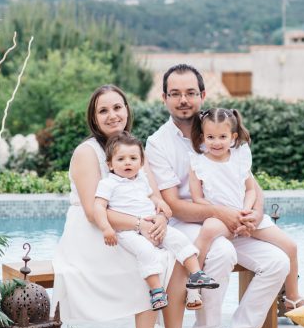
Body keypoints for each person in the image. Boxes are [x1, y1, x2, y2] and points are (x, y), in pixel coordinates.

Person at [145, 64, 290, 328]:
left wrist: (255, 212)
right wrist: (220, 213)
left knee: (278, 261)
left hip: (233, 219)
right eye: (175, 94)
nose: (183, 99)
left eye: (190, 93)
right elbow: (174, 204)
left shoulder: (220, 128)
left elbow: (249, 182)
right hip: (189, 225)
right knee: (222, 253)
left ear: (202, 94)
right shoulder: (158, 143)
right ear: (164, 98)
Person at [52, 84, 195, 328]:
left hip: (133, 228)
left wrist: (159, 219)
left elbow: (157, 198)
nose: (112, 115)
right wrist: (141, 225)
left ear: (127, 110)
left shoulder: (133, 148)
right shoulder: (87, 152)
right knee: (146, 262)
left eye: (117, 107)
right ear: (94, 117)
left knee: (176, 255)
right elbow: (94, 212)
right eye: (103, 110)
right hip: (95, 233)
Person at [188, 107, 304, 312]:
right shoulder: (198, 162)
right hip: (220, 217)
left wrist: (245, 212)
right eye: (210, 137)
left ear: (233, 137)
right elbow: (197, 198)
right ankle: (193, 286)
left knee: (291, 247)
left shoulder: (241, 155)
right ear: (202, 137)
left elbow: (251, 190)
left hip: (246, 215)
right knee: (207, 231)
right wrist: (223, 213)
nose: (216, 142)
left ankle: (292, 296)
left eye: (222, 136)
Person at [93, 132, 219, 312]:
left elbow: (151, 196)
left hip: (153, 225)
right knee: (146, 252)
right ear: (110, 164)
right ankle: (157, 291)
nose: (128, 162)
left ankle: (196, 274)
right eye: (121, 159)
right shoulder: (109, 183)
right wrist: (106, 228)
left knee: (180, 240)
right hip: (128, 231)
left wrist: (161, 204)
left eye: (133, 158)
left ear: (141, 162)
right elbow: (99, 207)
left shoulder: (142, 179)